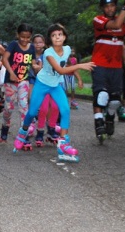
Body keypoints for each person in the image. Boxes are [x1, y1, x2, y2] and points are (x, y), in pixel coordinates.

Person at [12, 24, 95, 162]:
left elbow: (66, 65)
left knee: (65, 110)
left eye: (60, 34)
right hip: (42, 84)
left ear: (65, 37)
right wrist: (80, 65)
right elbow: (61, 70)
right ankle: (23, 132)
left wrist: (78, 77)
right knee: (32, 112)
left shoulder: (67, 49)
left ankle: (64, 143)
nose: (57, 37)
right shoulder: (48, 53)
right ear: (50, 39)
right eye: (54, 35)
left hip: (55, 85)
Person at [92, 0, 125, 143]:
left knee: (115, 100)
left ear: (115, 6)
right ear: (103, 8)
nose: (110, 9)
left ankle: (109, 118)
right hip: (100, 64)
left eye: (112, 6)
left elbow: (123, 44)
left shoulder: (123, 24)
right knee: (101, 96)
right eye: (106, 6)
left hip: (116, 66)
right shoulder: (99, 20)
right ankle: (98, 124)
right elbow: (115, 25)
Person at [0, 23, 34, 143]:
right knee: (8, 108)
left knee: (24, 107)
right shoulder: (13, 45)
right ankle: (5, 128)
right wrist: (11, 73)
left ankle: (24, 134)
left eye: (28, 37)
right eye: (22, 36)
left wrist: (37, 67)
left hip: (24, 81)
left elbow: (33, 63)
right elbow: (4, 59)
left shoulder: (32, 47)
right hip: (10, 82)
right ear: (17, 35)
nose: (25, 40)